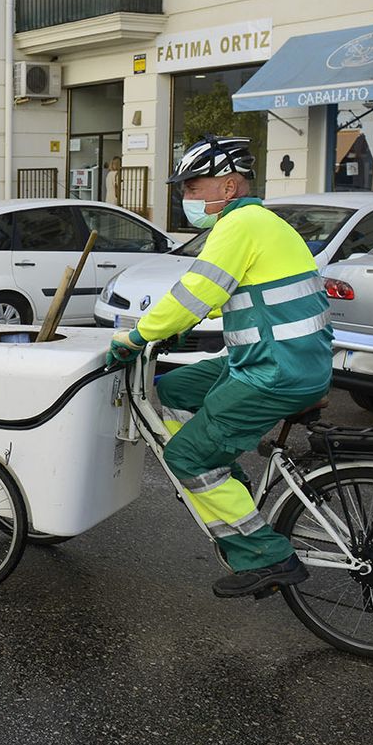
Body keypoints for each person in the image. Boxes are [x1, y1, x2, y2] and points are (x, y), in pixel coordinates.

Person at [108, 135, 330, 598]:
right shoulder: (262, 222)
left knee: (186, 456)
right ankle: (223, 477)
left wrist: (137, 336)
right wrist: (188, 323)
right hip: (278, 361)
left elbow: (196, 291)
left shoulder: (239, 226)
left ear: (228, 187)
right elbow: (239, 293)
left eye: (192, 187)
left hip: (272, 373)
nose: (185, 198)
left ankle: (265, 555)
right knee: (169, 392)